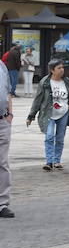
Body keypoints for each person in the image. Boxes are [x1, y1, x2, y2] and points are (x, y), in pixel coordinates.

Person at [27, 58, 69, 170]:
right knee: (49, 136)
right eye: (59, 68)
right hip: (48, 114)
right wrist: (31, 116)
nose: (62, 70)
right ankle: (49, 162)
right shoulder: (45, 82)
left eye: (62, 67)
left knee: (60, 138)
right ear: (52, 70)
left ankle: (57, 161)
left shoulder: (67, 82)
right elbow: (38, 99)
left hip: (63, 114)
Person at [0, 54, 13, 218]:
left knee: (2, 163)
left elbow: (8, 92)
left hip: (2, 120)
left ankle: (2, 203)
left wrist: (10, 114)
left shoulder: (2, 66)